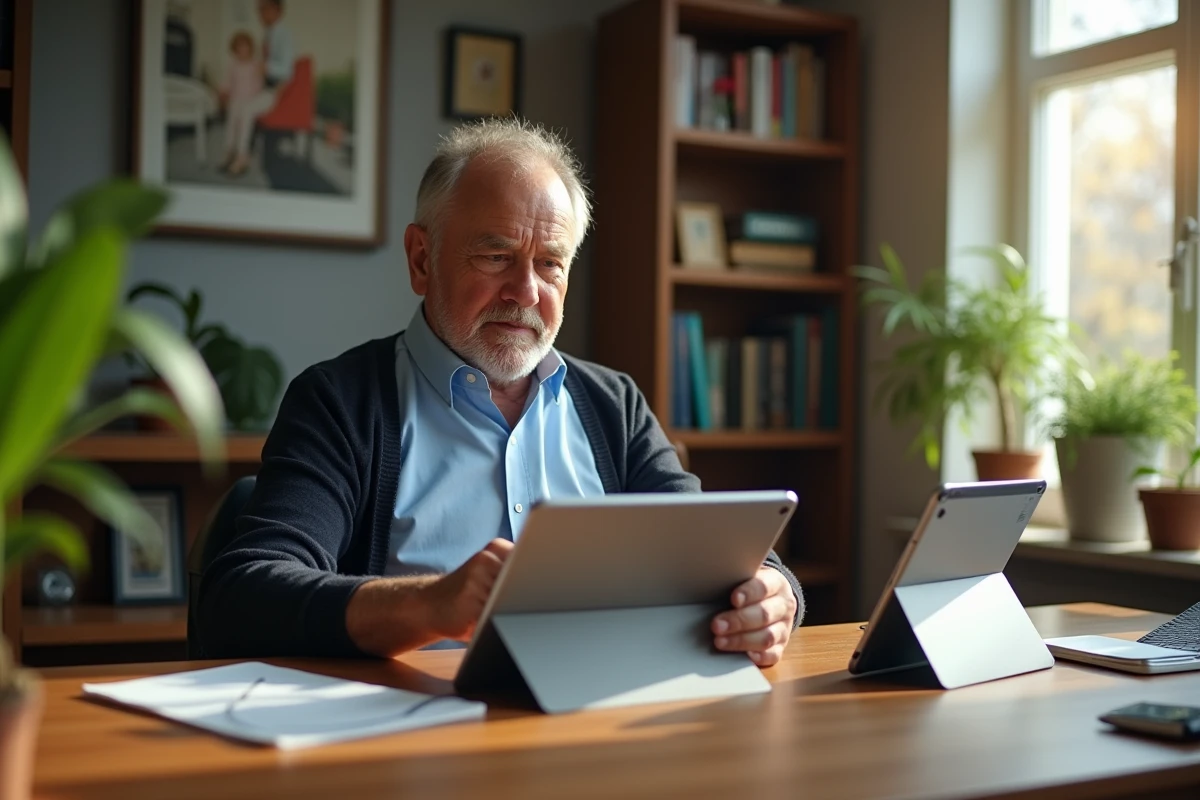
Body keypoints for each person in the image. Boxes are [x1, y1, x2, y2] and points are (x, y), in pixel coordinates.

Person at [197, 117, 804, 667]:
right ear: (421, 259)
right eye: (496, 255)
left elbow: (708, 543)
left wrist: (774, 594)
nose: (525, 291)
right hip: (416, 743)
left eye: (550, 264)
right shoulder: (340, 402)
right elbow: (245, 593)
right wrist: (429, 604)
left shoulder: (612, 404)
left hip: (599, 724)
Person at [225, 0, 294, 177]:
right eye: (259, 10)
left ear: (277, 11)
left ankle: (242, 157)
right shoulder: (270, 34)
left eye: (265, 10)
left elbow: (287, 69)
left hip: (274, 91)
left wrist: (267, 68)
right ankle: (231, 152)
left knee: (246, 110)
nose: (261, 15)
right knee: (237, 107)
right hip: (264, 89)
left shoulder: (284, 35)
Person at [218, 31, 264, 174]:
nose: (242, 51)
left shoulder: (255, 64)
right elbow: (227, 82)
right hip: (235, 100)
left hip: (250, 100)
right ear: (234, 50)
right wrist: (223, 92)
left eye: (245, 47)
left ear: (250, 48)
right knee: (231, 125)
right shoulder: (233, 64)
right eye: (239, 48)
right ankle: (229, 151)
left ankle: (242, 155)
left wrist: (254, 96)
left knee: (244, 125)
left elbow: (259, 85)